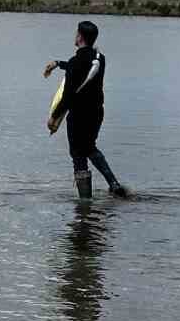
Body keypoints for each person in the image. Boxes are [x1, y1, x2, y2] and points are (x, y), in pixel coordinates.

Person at [44, 20, 128, 199]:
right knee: (89, 147)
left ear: (80, 36)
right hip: (97, 113)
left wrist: (54, 116)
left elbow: (68, 96)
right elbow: (84, 65)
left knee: (77, 154)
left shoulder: (76, 63)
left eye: (76, 33)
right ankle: (113, 184)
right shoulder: (100, 59)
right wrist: (59, 63)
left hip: (78, 116)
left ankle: (85, 202)